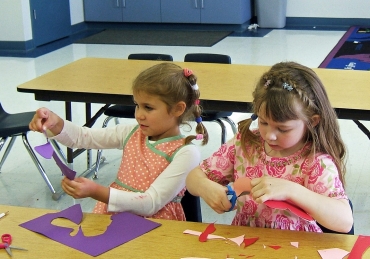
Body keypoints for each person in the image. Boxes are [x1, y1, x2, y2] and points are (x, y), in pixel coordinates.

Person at [186, 61, 353, 232]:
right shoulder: (245, 143)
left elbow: (345, 221)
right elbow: (193, 178)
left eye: (283, 129)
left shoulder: (315, 162)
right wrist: (205, 187)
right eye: (264, 122)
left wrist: (292, 191)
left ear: (312, 121)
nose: (269, 135)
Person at [29, 62, 209, 221]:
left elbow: (150, 203)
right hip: (114, 219)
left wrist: (95, 191)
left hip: (156, 226)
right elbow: (82, 138)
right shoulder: (131, 133)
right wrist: (55, 121)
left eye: (148, 107)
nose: (139, 114)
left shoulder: (186, 152)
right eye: (137, 105)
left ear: (178, 109)